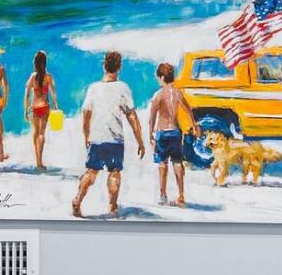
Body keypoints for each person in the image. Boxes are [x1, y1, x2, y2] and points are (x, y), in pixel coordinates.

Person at [71, 51, 143, 217]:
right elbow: (131, 116)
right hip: (115, 139)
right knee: (114, 172)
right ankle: (112, 207)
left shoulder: (93, 88)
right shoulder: (123, 88)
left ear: (104, 66)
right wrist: (140, 141)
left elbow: (86, 114)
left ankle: (78, 199)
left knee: (91, 172)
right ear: (119, 67)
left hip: (96, 138)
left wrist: (86, 136)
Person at [145, 59, 193, 206]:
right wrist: (194, 125)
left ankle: (162, 194)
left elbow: (152, 117)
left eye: (158, 78)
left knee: (162, 163)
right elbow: (188, 110)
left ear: (162, 77)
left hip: (162, 132)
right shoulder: (178, 93)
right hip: (176, 132)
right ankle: (181, 195)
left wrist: (150, 134)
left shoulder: (158, 95)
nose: (157, 80)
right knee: (177, 162)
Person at [23, 50, 57, 171]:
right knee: (42, 133)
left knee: (36, 132)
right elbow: (53, 93)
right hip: (45, 107)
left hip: (35, 108)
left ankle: (37, 160)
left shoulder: (33, 77)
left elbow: (27, 94)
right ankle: (40, 161)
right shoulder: (48, 76)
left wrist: (25, 109)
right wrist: (56, 106)